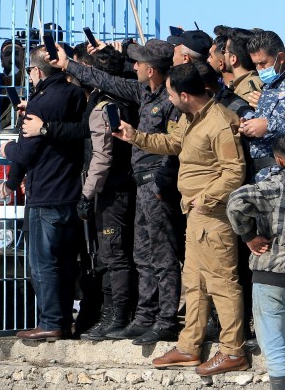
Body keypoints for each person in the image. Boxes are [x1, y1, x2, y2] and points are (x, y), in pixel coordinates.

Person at [114, 64, 248, 377]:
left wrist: (206, 198)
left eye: (171, 93)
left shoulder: (219, 123)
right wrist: (137, 137)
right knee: (194, 283)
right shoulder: (191, 118)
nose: (169, 98)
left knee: (222, 284)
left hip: (213, 216)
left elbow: (234, 172)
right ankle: (189, 346)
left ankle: (232, 351)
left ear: (185, 95)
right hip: (195, 215)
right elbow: (174, 145)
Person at [54, 39, 183, 344]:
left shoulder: (171, 100)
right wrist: (68, 65)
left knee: (163, 256)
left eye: (138, 63)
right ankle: (144, 316)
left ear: (151, 69)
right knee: (142, 254)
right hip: (141, 184)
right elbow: (107, 79)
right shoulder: (143, 91)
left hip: (158, 184)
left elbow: (175, 147)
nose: (134, 66)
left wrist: (163, 183)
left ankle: (165, 319)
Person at [24, 47, 136, 340]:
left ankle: (114, 317)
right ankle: (100, 316)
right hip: (98, 189)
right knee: (96, 260)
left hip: (105, 191)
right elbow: (83, 136)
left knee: (110, 258)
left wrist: (86, 195)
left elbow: (101, 155)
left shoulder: (104, 105)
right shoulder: (95, 101)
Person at [1, 45, 86, 340]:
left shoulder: (41, 102)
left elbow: (26, 150)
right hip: (72, 191)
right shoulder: (76, 94)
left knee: (42, 262)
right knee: (65, 262)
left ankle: (50, 321)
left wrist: (10, 173)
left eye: (28, 71)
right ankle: (62, 320)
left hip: (45, 193)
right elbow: (81, 133)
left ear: (36, 72)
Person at [228, 134, 285, 389]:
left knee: (275, 346)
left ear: (279, 159)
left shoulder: (272, 185)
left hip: (271, 272)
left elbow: (236, 202)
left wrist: (249, 236)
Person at [242, 31, 285, 181]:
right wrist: (249, 126)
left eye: (263, 63)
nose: (259, 69)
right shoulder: (268, 86)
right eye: (255, 64)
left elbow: (270, 124)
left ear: (280, 58)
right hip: (262, 173)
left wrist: (269, 125)